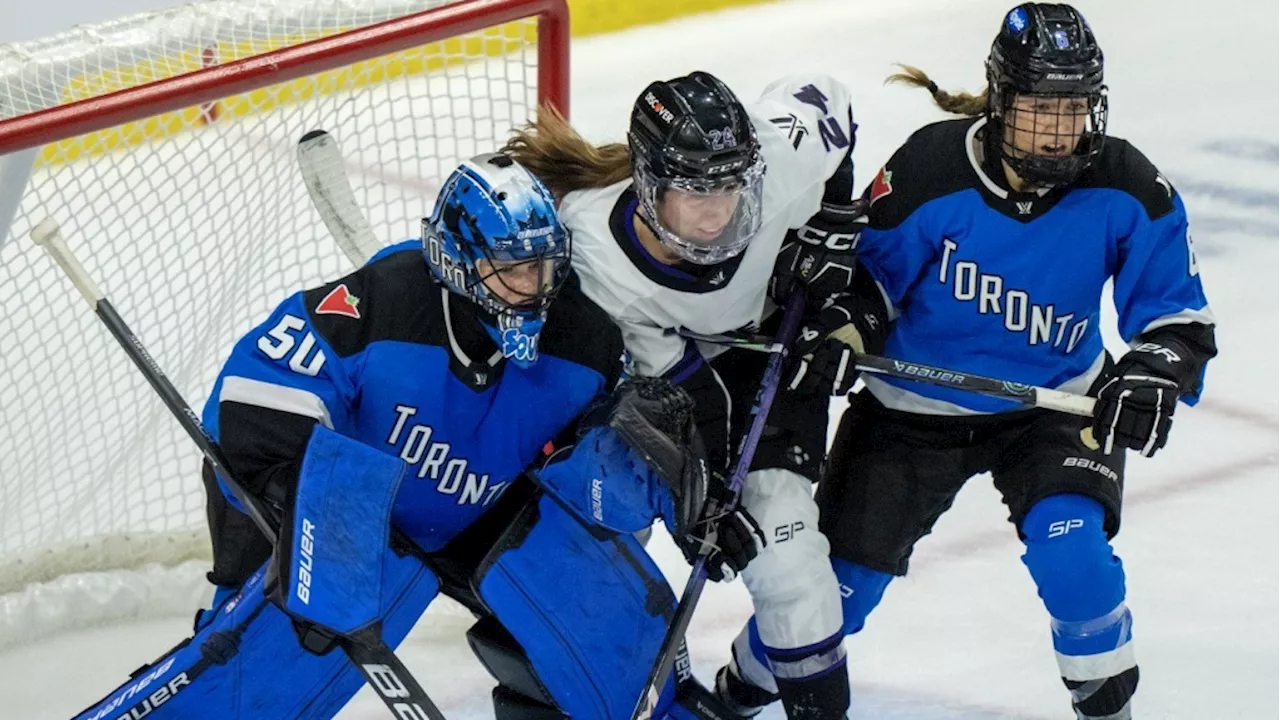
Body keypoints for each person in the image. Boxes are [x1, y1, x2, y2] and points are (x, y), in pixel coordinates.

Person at [70, 154, 744, 720]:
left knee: (608, 623)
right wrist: (310, 521)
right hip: (335, 505)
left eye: (544, 267)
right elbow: (255, 395)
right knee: (262, 657)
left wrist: (678, 491)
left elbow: (587, 475)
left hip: (473, 513)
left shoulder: (585, 340)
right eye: (514, 270)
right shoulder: (380, 302)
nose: (534, 289)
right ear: (458, 261)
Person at [799, 4, 1216, 720]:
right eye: (1039, 109)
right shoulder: (930, 170)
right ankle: (735, 693)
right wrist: (844, 333)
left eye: (1075, 109)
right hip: (909, 415)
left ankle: (1108, 707)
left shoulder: (1125, 185)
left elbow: (1178, 317)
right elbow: (867, 285)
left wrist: (1153, 367)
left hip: (1052, 407)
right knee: (833, 595)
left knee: (1074, 558)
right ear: (999, 102)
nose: (1060, 130)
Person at [504, 71, 888, 719]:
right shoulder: (596, 253)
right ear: (648, 185)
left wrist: (831, 225)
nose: (717, 213)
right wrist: (704, 493)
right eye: (693, 194)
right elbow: (679, 388)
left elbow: (832, 102)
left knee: (793, 573)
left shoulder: (778, 157)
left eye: (728, 189)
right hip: (676, 383)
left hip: (771, 346)